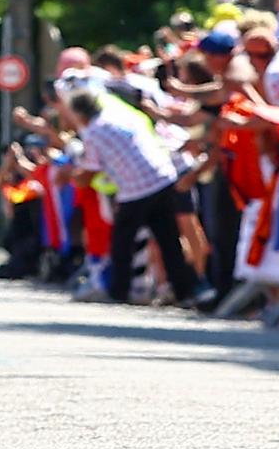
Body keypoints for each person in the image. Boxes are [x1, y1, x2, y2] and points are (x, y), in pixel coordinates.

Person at [63, 87, 212, 308]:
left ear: (79, 113)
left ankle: (118, 290)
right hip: (162, 177)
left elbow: (89, 172)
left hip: (136, 189)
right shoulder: (120, 116)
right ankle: (186, 290)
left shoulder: (93, 133)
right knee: (168, 239)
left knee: (122, 242)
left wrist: (71, 175)